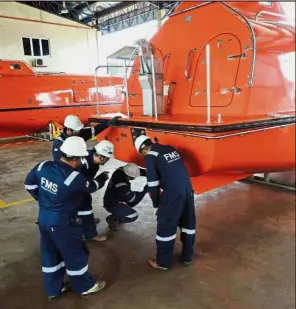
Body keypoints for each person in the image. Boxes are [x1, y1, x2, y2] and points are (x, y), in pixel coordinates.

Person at [24, 136, 110, 300]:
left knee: (50, 255)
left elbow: (29, 185)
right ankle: (85, 286)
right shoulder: (73, 177)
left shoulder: (43, 166)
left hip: (44, 219)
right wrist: (103, 178)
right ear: (76, 159)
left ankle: (53, 290)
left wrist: (43, 200)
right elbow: (91, 186)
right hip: (63, 222)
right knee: (74, 253)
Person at [134, 135, 196, 270]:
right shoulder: (169, 149)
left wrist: (156, 203)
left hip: (172, 195)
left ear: (143, 151)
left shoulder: (150, 156)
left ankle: (163, 262)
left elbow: (152, 184)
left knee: (166, 227)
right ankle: (188, 257)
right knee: (188, 225)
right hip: (187, 191)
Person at [77, 140, 115, 241]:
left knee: (84, 206)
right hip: (75, 190)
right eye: (107, 158)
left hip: (78, 189)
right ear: (102, 157)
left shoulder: (92, 159)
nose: (107, 161)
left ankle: (85, 224)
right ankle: (91, 234)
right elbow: (88, 187)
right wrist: (101, 179)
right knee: (86, 209)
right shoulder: (84, 164)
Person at [52, 114, 120, 161]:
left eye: (79, 131)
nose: (78, 133)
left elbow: (95, 130)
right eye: (76, 131)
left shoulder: (78, 133)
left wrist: (109, 123)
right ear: (69, 130)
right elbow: (58, 162)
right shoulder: (59, 143)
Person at [103, 163, 148, 231]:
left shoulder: (121, 170)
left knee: (132, 197)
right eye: (133, 177)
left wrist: (151, 173)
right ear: (128, 176)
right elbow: (133, 199)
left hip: (114, 197)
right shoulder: (121, 184)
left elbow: (135, 171)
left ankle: (119, 212)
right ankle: (114, 218)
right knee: (133, 215)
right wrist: (145, 190)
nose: (135, 177)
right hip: (112, 203)